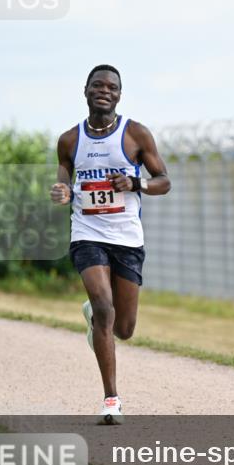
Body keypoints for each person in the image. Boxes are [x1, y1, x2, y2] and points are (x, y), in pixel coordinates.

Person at [50, 64, 171, 424]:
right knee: (105, 308)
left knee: (125, 328)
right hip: (87, 233)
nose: (104, 90)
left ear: (119, 94)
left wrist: (136, 184)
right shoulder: (70, 140)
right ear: (85, 90)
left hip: (127, 239)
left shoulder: (136, 134)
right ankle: (111, 400)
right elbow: (63, 179)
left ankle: (94, 314)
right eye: (97, 85)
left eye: (112, 87)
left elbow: (164, 180)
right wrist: (62, 191)